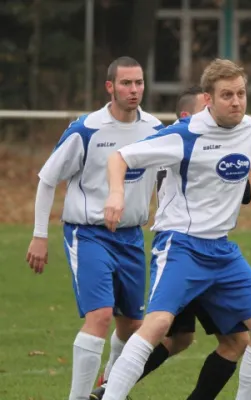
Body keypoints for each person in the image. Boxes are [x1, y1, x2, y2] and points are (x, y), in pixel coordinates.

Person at [90, 85, 251, 400]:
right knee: (164, 331)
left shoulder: (244, 130)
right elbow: (120, 158)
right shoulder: (181, 136)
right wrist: (116, 194)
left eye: (241, 93)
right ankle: (108, 393)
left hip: (221, 253)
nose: (235, 101)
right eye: (226, 96)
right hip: (182, 249)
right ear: (200, 109)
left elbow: (239, 181)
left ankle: (106, 390)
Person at [25, 56, 164, 400]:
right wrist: (39, 235)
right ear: (110, 87)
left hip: (131, 236)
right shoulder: (86, 129)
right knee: (100, 315)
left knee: (132, 326)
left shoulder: (156, 129)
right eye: (126, 84)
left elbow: (168, 177)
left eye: (139, 83)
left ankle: (108, 388)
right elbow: (47, 180)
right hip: (88, 234)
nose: (134, 90)